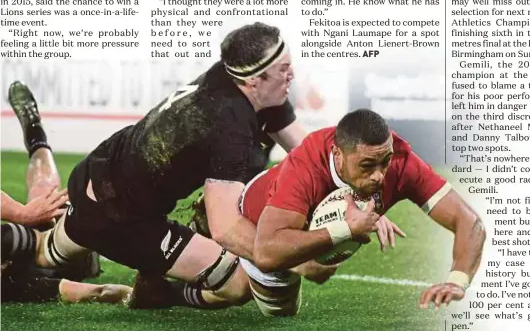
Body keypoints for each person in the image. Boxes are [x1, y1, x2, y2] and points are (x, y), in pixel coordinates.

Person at [21, 22, 320, 310]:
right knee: (239, 285)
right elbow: (226, 228)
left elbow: (309, 154)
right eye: (283, 68)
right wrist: (290, 255)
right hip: (118, 217)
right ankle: (158, 293)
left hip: (101, 173)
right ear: (255, 79)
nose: (292, 74)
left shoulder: (239, 80)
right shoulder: (230, 123)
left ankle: (36, 141)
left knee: (44, 250)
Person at [235, 109, 486, 316]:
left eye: (384, 162)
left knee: (283, 312)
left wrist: (457, 281)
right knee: (230, 292)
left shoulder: (401, 162)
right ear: (338, 155)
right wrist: (346, 230)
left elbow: (469, 222)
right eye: (367, 165)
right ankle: (214, 233)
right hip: (255, 221)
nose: (379, 175)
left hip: (302, 233)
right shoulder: (306, 165)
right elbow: (266, 252)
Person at [1, 81, 131, 304]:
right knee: (46, 195)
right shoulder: (16, 285)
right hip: (65, 249)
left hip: (52, 244)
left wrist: (24, 214)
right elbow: (100, 291)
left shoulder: (7, 239)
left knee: (44, 193)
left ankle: (35, 135)